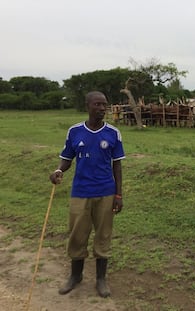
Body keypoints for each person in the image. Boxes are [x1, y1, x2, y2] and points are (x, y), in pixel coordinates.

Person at [49, 91, 125, 298]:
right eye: (98, 104)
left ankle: (101, 279)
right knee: (77, 235)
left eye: (105, 105)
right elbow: (66, 159)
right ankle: (76, 276)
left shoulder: (113, 133)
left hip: (106, 192)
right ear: (88, 106)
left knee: (103, 235)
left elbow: (117, 166)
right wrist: (58, 171)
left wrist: (119, 195)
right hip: (80, 192)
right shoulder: (74, 132)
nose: (102, 108)